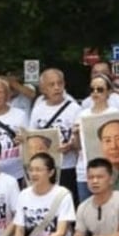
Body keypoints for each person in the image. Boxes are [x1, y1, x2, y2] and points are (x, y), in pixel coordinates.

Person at [29, 68, 82, 201]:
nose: (57, 88)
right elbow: (32, 135)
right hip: (44, 168)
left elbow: (80, 141)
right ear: (43, 89)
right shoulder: (38, 110)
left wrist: (71, 145)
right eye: (51, 85)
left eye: (60, 83)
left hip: (67, 166)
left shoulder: (75, 109)